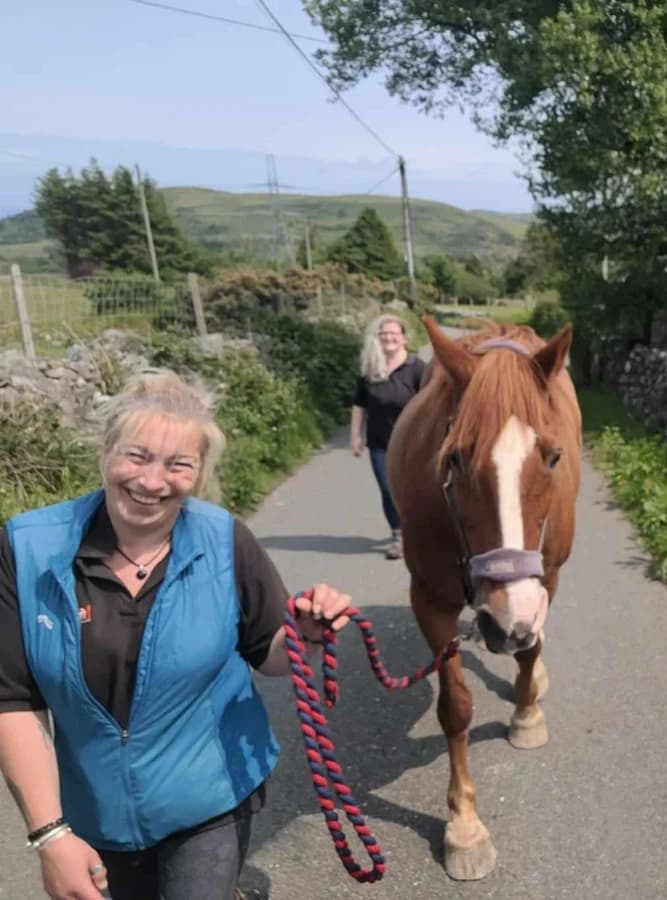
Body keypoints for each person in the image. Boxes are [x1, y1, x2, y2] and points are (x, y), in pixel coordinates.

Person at [0, 369, 354, 900]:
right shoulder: (26, 549)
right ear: (105, 451)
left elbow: (270, 654)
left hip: (208, 801)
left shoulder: (225, 539)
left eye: (178, 464)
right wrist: (50, 835)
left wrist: (306, 635)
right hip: (91, 811)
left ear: (199, 473)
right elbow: (11, 699)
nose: (151, 481)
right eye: (137, 456)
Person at [350, 314, 426, 559]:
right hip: (380, 444)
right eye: (384, 334)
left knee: (416, 490)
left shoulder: (417, 368)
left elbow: (430, 403)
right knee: (388, 489)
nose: (389, 338)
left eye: (394, 333)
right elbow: (359, 404)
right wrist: (355, 436)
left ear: (404, 338)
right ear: (377, 339)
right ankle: (399, 535)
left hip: (415, 444)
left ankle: (420, 530)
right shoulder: (370, 370)